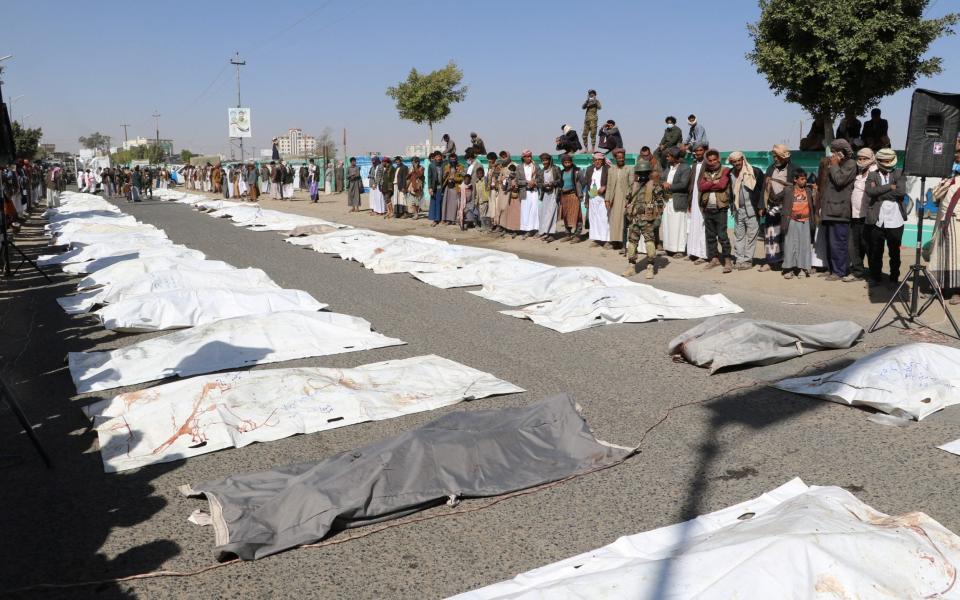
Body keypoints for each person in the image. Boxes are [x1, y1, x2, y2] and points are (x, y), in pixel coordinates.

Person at [865, 148, 906, 286]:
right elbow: (870, 191)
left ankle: (894, 278)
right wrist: (890, 186)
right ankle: (875, 277)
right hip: (878, 219)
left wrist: (880, 194)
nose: (888, 163)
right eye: (885, 161)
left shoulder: (899, 173)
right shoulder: (872, 175)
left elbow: (901, 192)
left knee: (895, 252)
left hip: (896, 220)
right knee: (876, 251)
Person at [821, 139, 857, 281]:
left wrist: (834, 165)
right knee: (830, 243)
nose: (833, 154)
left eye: (835, 151)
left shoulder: (851, 164)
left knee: (838, 243)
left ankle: (839, 271)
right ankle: (831, 269)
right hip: (829, 210)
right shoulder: (834, 165)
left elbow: (840, 180)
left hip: (840, 211)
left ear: (843, 152)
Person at [623, 159, 666, 279]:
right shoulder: (633, 186)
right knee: (631, 244)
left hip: (648, 220)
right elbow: (628, 201)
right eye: (640, 173)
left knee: (650, 244)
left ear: (648, 173)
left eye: (644, 173)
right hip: (634, 219)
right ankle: (631, 267)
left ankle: (650, 267)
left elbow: (660, 204)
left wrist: (658, 219)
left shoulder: (654, 186)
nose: (642, 175)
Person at [929, 152, 960, 303]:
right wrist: (950, 181)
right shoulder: (950, 179)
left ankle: (957, 292)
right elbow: (935, 195)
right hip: (943, 223)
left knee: (957, 259)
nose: (956, 157)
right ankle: (939, 289)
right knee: (939, 257)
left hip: (958, 224)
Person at [727, 151, 765, 270]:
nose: (737, 163)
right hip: (738, 210)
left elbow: (762, 190)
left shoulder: (755, 171)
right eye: (734, 161)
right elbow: (730, 192)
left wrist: (761, 206)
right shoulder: (731, 174)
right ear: (731, 162)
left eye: (739, 160)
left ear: (743, 159)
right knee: (738, 236)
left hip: (752, 209)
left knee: (751, 236)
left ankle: (748, 260)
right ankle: (739, 259)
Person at [698, 149, 733, 273]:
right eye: (710, 160)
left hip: (721, 208)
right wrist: (713, 182)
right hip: (708, 208)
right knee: (710, 236)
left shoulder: (726, 171)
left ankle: (727, 259)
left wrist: (709, 184)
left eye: (714, 160)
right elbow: (701, 186)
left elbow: (722, 185)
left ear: (719, 159)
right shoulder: (705, 172)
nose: (712, 162)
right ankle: (714, 258)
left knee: (722, 235)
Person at [778, 168, 816, 279]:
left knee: (804, 246)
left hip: (805, 221)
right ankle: (789, 269)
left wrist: (816, 191)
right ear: (795, 180)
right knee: (790, 245)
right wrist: (769, 186)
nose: (804, 181)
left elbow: (815, 203)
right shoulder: (788, 190)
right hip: (792, 221)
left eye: (805, 179)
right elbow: (775, 198)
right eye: (802, 179)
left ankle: (802, 269)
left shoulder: (808, 191)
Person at [761, 144, 793, 271]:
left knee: (786, 235)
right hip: (771, 208)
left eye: (778, 156)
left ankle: (787, 262)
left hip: (787, 207)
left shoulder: (794, 169)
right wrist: (761, 206)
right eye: (774, 156)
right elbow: (764, 188)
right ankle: (770, 261)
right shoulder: (770, 169)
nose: (775, 159)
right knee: (770, 235)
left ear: (785, 157)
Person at [848, 148, 877, 279]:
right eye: (859, 158)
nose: (861, 161)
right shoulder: (858, 174)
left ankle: (873, 275)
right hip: (855, 216)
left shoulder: (875, 173)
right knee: (855, 245)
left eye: (865, 158)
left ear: (871, 159)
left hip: (868, 216)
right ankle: (858, 271)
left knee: (869, 246)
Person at [659, 147, 692, 257]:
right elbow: (661, 179)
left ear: (675, 157)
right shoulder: (669, 168)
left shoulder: (685, 168)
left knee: (679, 226)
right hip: (667, 201)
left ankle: (680, 250)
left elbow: (684, 184)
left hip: (678, 200)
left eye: (669, 156)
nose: (667, 158)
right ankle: (668, 248)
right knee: (668, 225)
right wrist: (663, 183)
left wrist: (670, 186)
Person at [687, 143, 709, 264]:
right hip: (694, 198)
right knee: (694, 225)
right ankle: (694, 252)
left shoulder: (708, 164)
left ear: (705, 151)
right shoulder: (694, 165)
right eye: (696, 151)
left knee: (702, 226)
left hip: (703, 199)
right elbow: (691, 184)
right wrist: (690, 201)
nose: (698, 153)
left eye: (700, 150)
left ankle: (703, 254)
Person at [605, 148, 632, 249]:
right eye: (619, 158)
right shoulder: (611, 170)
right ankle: (614, 241)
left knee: (623, 220)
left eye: (622, 157)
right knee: (614, 220)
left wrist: (629, 198)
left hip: (624, 198)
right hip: (614, 198)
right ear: (615, 158)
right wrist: (607, 199)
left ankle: (623, 242)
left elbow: (631, 184)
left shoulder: (629, 169)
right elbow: (609, 185)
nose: (621, 159)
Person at [583, 152, 610, 246]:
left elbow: (612, 182)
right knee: (594, 219)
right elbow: (587, 185)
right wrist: (586, 200)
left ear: (603, 161)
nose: (597, 162)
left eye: (599, 160)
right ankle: (597, 239)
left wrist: (605, 187)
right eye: (595, 160)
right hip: (592, 198)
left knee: (604, 219)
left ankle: (606, 240)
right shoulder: (590, 169)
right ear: (593, 161)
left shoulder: (607, 169)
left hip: (603, 198)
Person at [516, 150, 542, 238]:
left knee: (534, 210)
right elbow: (517, 181)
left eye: (530, 156)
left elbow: (540, 178)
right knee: (525, 211)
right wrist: (527, 182)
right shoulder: (519, 167)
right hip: (524, 191)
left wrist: (534, 182)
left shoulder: (536, 166)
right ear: (523, 157)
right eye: (527, 156)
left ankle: (536, 229)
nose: (529, 158)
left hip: (534, 192)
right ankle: (527, 230)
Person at [558, 154, 582, 241]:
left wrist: (578, 191)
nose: (567, 164)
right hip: (564, 196)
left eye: (569, 162)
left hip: (574, 195)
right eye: (565, 162)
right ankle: (568, 234)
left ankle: (577, 235)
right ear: (563, 163)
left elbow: (582, 182)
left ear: (571, 162)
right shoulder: (562, 172)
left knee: (577, 215)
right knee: (566, 215)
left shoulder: (577, 171)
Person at [538, 153, 560, 240]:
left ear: (549, 160)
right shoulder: (541, 171)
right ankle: (546, 232)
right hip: (545, 195)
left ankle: (551, 234)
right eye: (543, 160)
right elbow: (538, 182)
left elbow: (560, 180)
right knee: (544, 214)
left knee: (552, 213)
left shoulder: (555, 169)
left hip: (554, 194)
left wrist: (552, 183)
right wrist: (543, 185)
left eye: (546, 160)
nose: (544, 162)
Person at [441, 153, 464, 224]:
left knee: (454, 205)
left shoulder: (460, 166)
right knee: (447, 204)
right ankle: (447, 219)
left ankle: (453, 219)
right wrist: (445, 175)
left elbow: (463, 178)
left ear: (456, 159)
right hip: (448, 187)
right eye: (451, 159)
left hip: (455, 187)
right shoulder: (447, 166)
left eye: (454, 159)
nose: (452, 160)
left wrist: (454, 179)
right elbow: (443, 178)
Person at [428, 152, 444, 225]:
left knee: (439, 202)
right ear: (434, 158)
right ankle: (435, 219)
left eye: (439, 157)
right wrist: (430, 188)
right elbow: (429, 177)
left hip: (441, 187)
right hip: (434, 187)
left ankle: (438, 218)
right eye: (437, 157)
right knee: (434, 203)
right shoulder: (431, 166)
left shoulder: (443, 165)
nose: (438, 158)